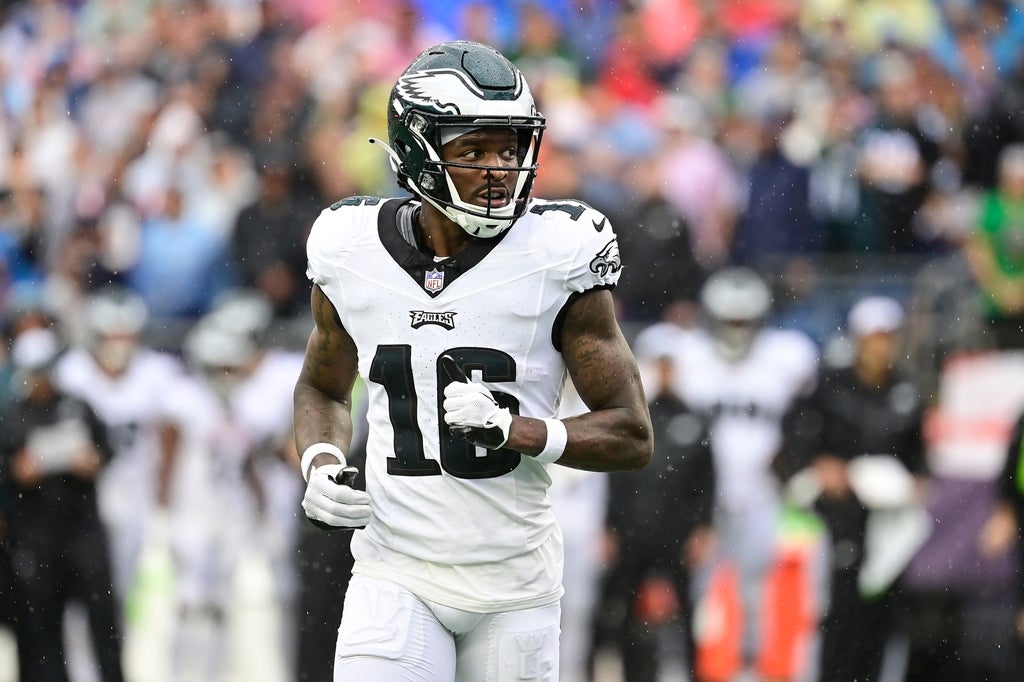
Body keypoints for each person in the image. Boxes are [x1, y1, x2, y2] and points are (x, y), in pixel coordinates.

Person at [293, 40, 653, 681]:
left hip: (514, 583)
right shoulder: (348, 247)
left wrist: (522, 432)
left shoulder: (560, 252)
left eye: (510, 148)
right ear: (418, 152)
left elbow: (631, 432)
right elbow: (321, 387)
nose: (499, 168)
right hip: (394, 568)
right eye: (474, 149)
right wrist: (321, 462)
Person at [780, 295, 929, 682]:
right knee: (837, 611)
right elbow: (795, 439)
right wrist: (818, 464)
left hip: (888, 521)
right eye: (873, 337)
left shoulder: (907, 392)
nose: (880, 345)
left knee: (881, 615)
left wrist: (914, 483)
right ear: (858, 339)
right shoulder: (829, 386)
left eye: (887, 337)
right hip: (836, 515)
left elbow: (918, 457)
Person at [0, 327, 125, 682]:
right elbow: (6, 473)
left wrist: (93, 460)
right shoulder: (12, 417)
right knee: (43, 629)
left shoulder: (78, 406)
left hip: (83, 531)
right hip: (37, 535)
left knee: (104, 621)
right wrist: (17, 471)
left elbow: (107, 449)